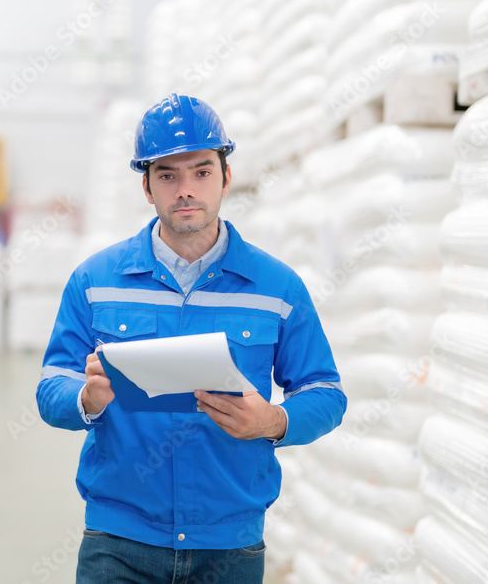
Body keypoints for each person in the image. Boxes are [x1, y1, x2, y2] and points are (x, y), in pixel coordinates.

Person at [36, 94, 346, 583]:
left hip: (228, 547)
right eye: (168, 176)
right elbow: (51, 385)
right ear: (146, 186)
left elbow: (326, 392)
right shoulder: (95, 281)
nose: (186, 190)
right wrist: (85, 398)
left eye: (201, 172)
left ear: (226, 177)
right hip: (120, 543)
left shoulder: (277, 288)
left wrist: (274, 419)